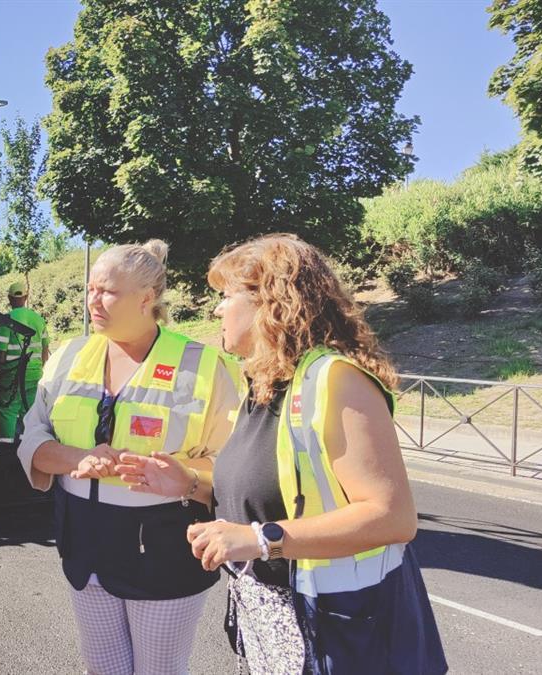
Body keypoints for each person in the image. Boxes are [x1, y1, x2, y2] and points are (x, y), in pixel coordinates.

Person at [181, 233, 445, 673]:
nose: (216, 310)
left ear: (269, 302)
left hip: (346, 628)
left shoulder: (335, 379)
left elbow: (393, 516)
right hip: (278, 622)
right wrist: (188, 482)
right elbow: (266, 489)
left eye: (226, 297)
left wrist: (259, 540)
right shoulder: (262, 383)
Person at [17, 240, 240, 675]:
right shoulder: (68, 356)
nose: (93, 302)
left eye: (108, 292)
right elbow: (33, 436)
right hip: (84, 546)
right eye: (90, 289)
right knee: (103, 668)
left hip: (164, 549)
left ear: (146, 298)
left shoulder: (205, 366)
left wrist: (189, 479)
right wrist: (75, 458)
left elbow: (235, 467)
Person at [0, 280, 50, 443]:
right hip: (34, 374)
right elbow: (45, 350)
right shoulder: (38, 319)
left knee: (6, 409)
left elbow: (1, 354)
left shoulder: (6, 321)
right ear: (26, 297)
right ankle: (28, 445)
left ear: (9, 298)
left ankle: (5, 446)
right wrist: (38, 367)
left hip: (11, 375)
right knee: (30, 410)